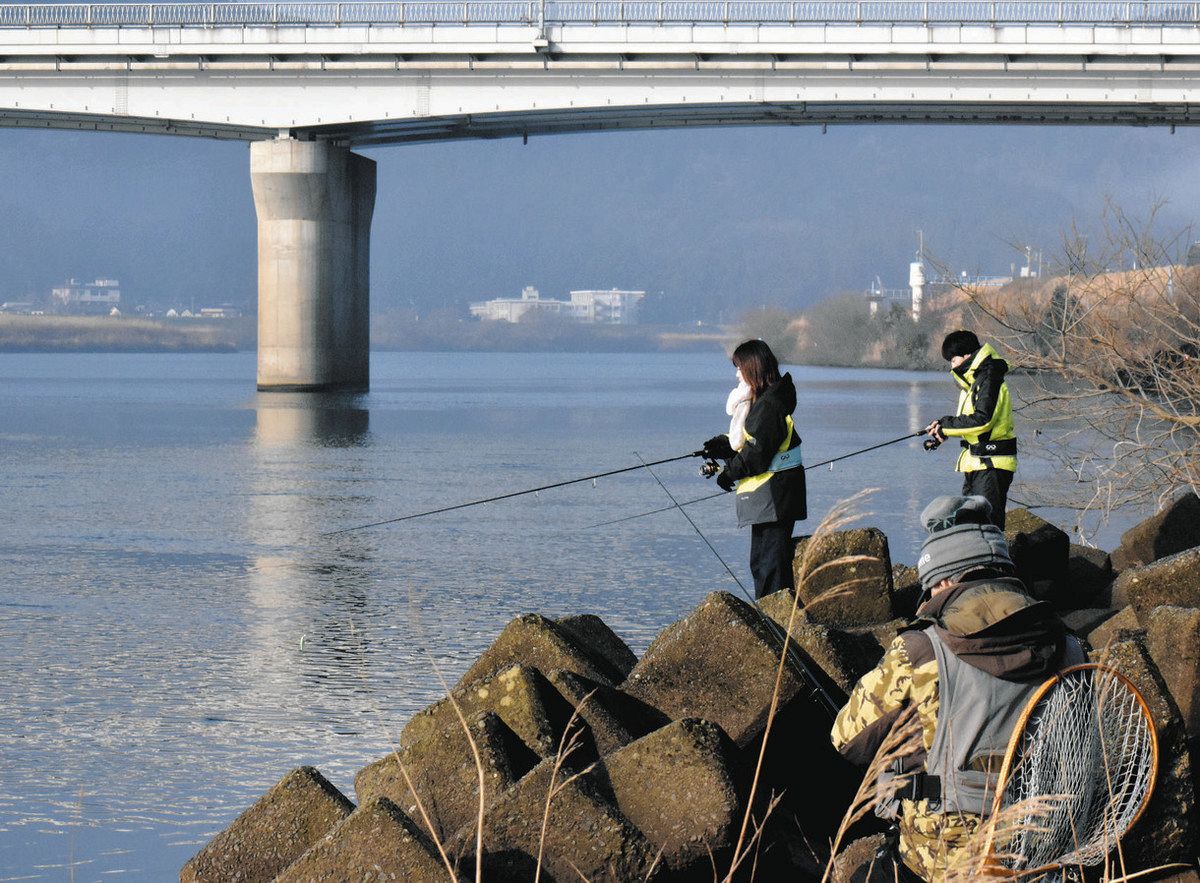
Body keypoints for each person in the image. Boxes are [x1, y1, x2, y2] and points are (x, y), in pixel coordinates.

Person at [830, 495, 1083, 883]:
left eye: (929, 588)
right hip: (1043, 847)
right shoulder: (1069, 645)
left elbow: (847, 739)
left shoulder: (920, 650)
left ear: (946, 581)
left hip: (943, 861)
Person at [701, 340, 807, 598]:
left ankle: (778, 624)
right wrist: (723, 446)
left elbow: (757, 454)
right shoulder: (764, 401)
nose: (737, 374)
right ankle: (772, 618)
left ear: (753, 369)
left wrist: (729, 472)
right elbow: (755, 441)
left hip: (776, 496)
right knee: (761, 563)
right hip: (770, 496)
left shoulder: (769, 406)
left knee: (770, 566)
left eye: (739, 367)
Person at [924, 330, 1017, 529]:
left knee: (987, 526)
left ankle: (994, 559)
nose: (952, 365)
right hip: (977, 463)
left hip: (991, 464)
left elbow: (983, 420)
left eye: (953, 359)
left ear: (967, 355)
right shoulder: (975, 380)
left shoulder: (990, 377)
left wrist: (946, 425)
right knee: (970, 526)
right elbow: (971, 424)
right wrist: (943, 431)